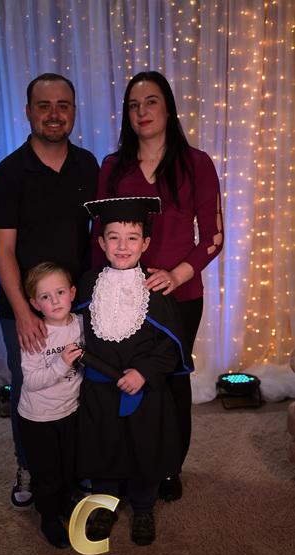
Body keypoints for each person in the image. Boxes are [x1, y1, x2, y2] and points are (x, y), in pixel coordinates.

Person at [91, 71, 223, 501]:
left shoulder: (196, 164)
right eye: (133, 105)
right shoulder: (113, 168)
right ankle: (125, 464)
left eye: (151, 102)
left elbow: (214, 237)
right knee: (123, 378)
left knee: (169, 381)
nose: (142, 111)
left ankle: (169, 467)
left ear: (168, 109)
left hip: (178, 297)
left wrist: (177, 274)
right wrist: (93, 292)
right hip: (120, 294)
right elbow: (97, 235)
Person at [0, 73, 98, 510]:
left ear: (74, 111)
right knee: (30, 389)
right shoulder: (8, 174)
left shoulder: (88, 166)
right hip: (25, 307)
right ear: (28, 111)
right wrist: (23, 312)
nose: (54, 114)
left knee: (78, 383)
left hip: (77, 305)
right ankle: (28, 465)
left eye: (63, 105)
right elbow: (2, 250)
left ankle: (74, 466)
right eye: (44, 105)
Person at [76, 196, 193, 546]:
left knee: (145, 447)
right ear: (101, 243)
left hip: (144, 390)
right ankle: (104, 506)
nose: (122, 246)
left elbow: (170, 345)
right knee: (103, 447)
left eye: (132, 238)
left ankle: (143, 507)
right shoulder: (88, 283)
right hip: (99, 389)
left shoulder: (156, 288)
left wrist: (143, 373)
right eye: (113, 237)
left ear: (145, 243)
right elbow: (73, 327)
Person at [18, 262, 83, 548]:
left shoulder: (80, 324)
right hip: (38, 418)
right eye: (45, 296)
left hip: (70, 410)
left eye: (60, 292)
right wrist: (61, 363)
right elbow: (31, 382)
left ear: (72, 293)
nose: (55, 301)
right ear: (35, 303)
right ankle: (48, 519)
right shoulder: (35, 333)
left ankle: (65, 503)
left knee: (69, 466)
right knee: (47, 473)